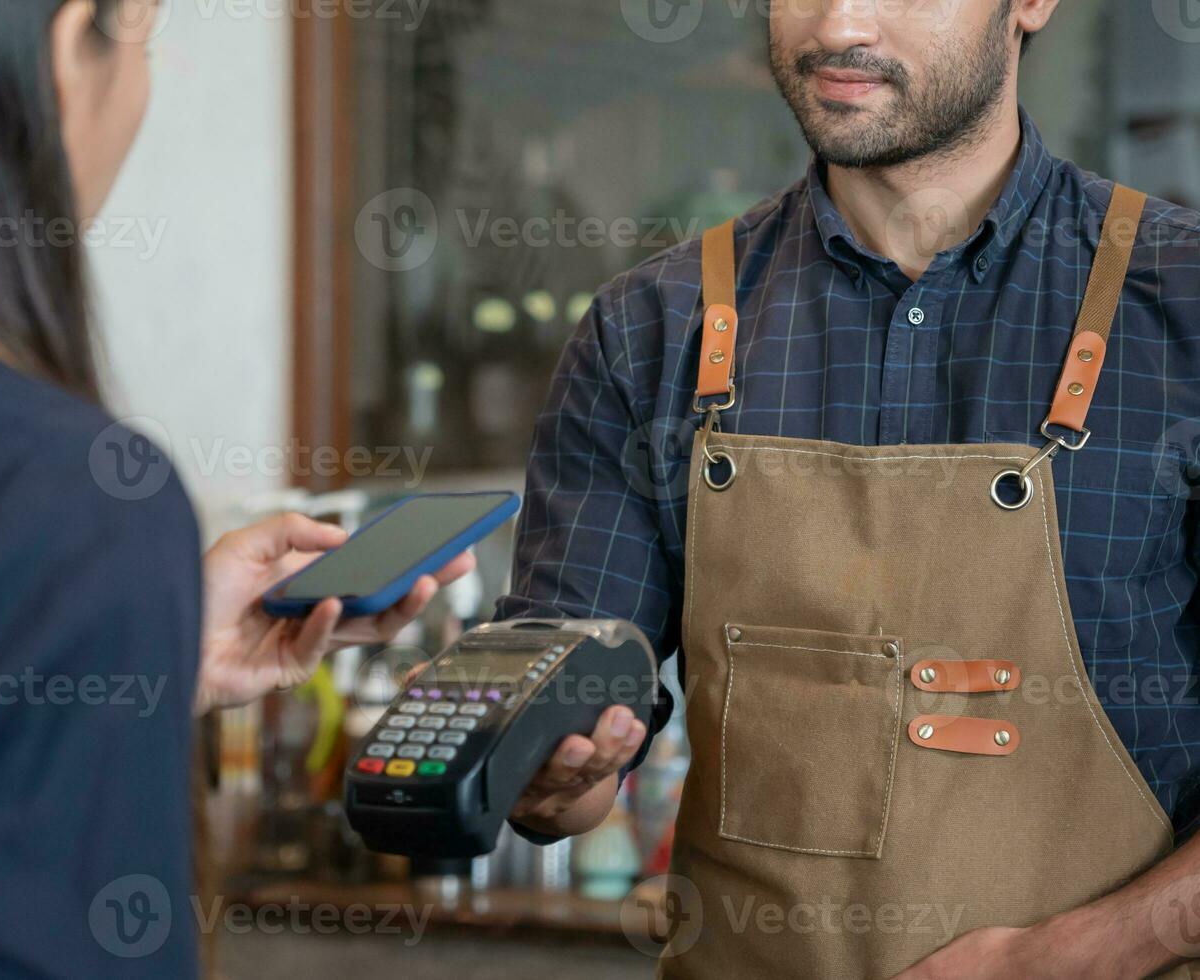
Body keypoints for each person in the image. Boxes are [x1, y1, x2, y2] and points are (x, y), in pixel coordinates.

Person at [0, 2, 470, 977]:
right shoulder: (59, 499)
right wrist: (83, 604)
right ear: (72, 46)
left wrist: (123, 655)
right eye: (144, 38)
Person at [500, 1, 1200, 977]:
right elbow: (567, 760)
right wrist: (541, 769)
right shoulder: (646, 332)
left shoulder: (1184, 308)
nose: (838, 24)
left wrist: (1071, 951)